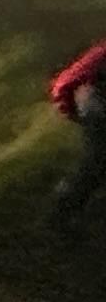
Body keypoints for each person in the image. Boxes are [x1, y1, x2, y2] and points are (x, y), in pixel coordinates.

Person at [53, 39, 106, 233]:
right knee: (98, 158)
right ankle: (62, 215)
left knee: (98, 159)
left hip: (87, 92)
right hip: (92, 93)